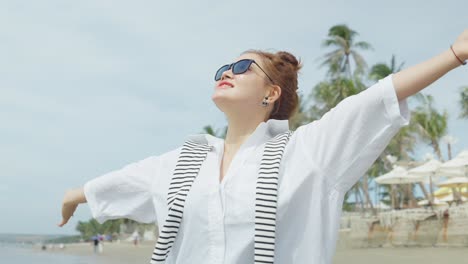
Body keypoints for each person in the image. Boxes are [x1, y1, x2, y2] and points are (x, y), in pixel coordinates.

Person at [58, 30, 468, 263]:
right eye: (223, 68)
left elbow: (372, 101)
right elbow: (122, 182)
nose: (227, 73)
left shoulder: (307, 153)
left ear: (271, 92)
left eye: (240, 68)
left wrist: (454, 54)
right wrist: (74, 196)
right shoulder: (184, 163)